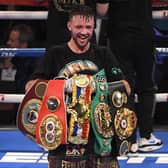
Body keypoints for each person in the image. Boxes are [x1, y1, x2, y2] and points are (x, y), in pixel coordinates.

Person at [25, 5, 131, 168]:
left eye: (88, 27)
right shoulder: (56, 53)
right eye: (79, 27)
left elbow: (125, 87)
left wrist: (98, 86)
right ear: (69, 26)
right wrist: (61, 86)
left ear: (94, 27)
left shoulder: (103, 54)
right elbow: (31, 87)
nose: (84, 32)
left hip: (100, 139)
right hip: (64, 140)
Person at [95, 1, 163, 152]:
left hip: (119, 36)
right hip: (142, 35)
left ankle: (127, 139)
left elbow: (102, 10)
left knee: (124, 86)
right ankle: (145, 136)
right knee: (146, 86)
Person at [6, 24, 39, 93]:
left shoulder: (35, 64)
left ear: (23, 44)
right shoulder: (12, 60)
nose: (8, 43)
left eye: (12, 40)